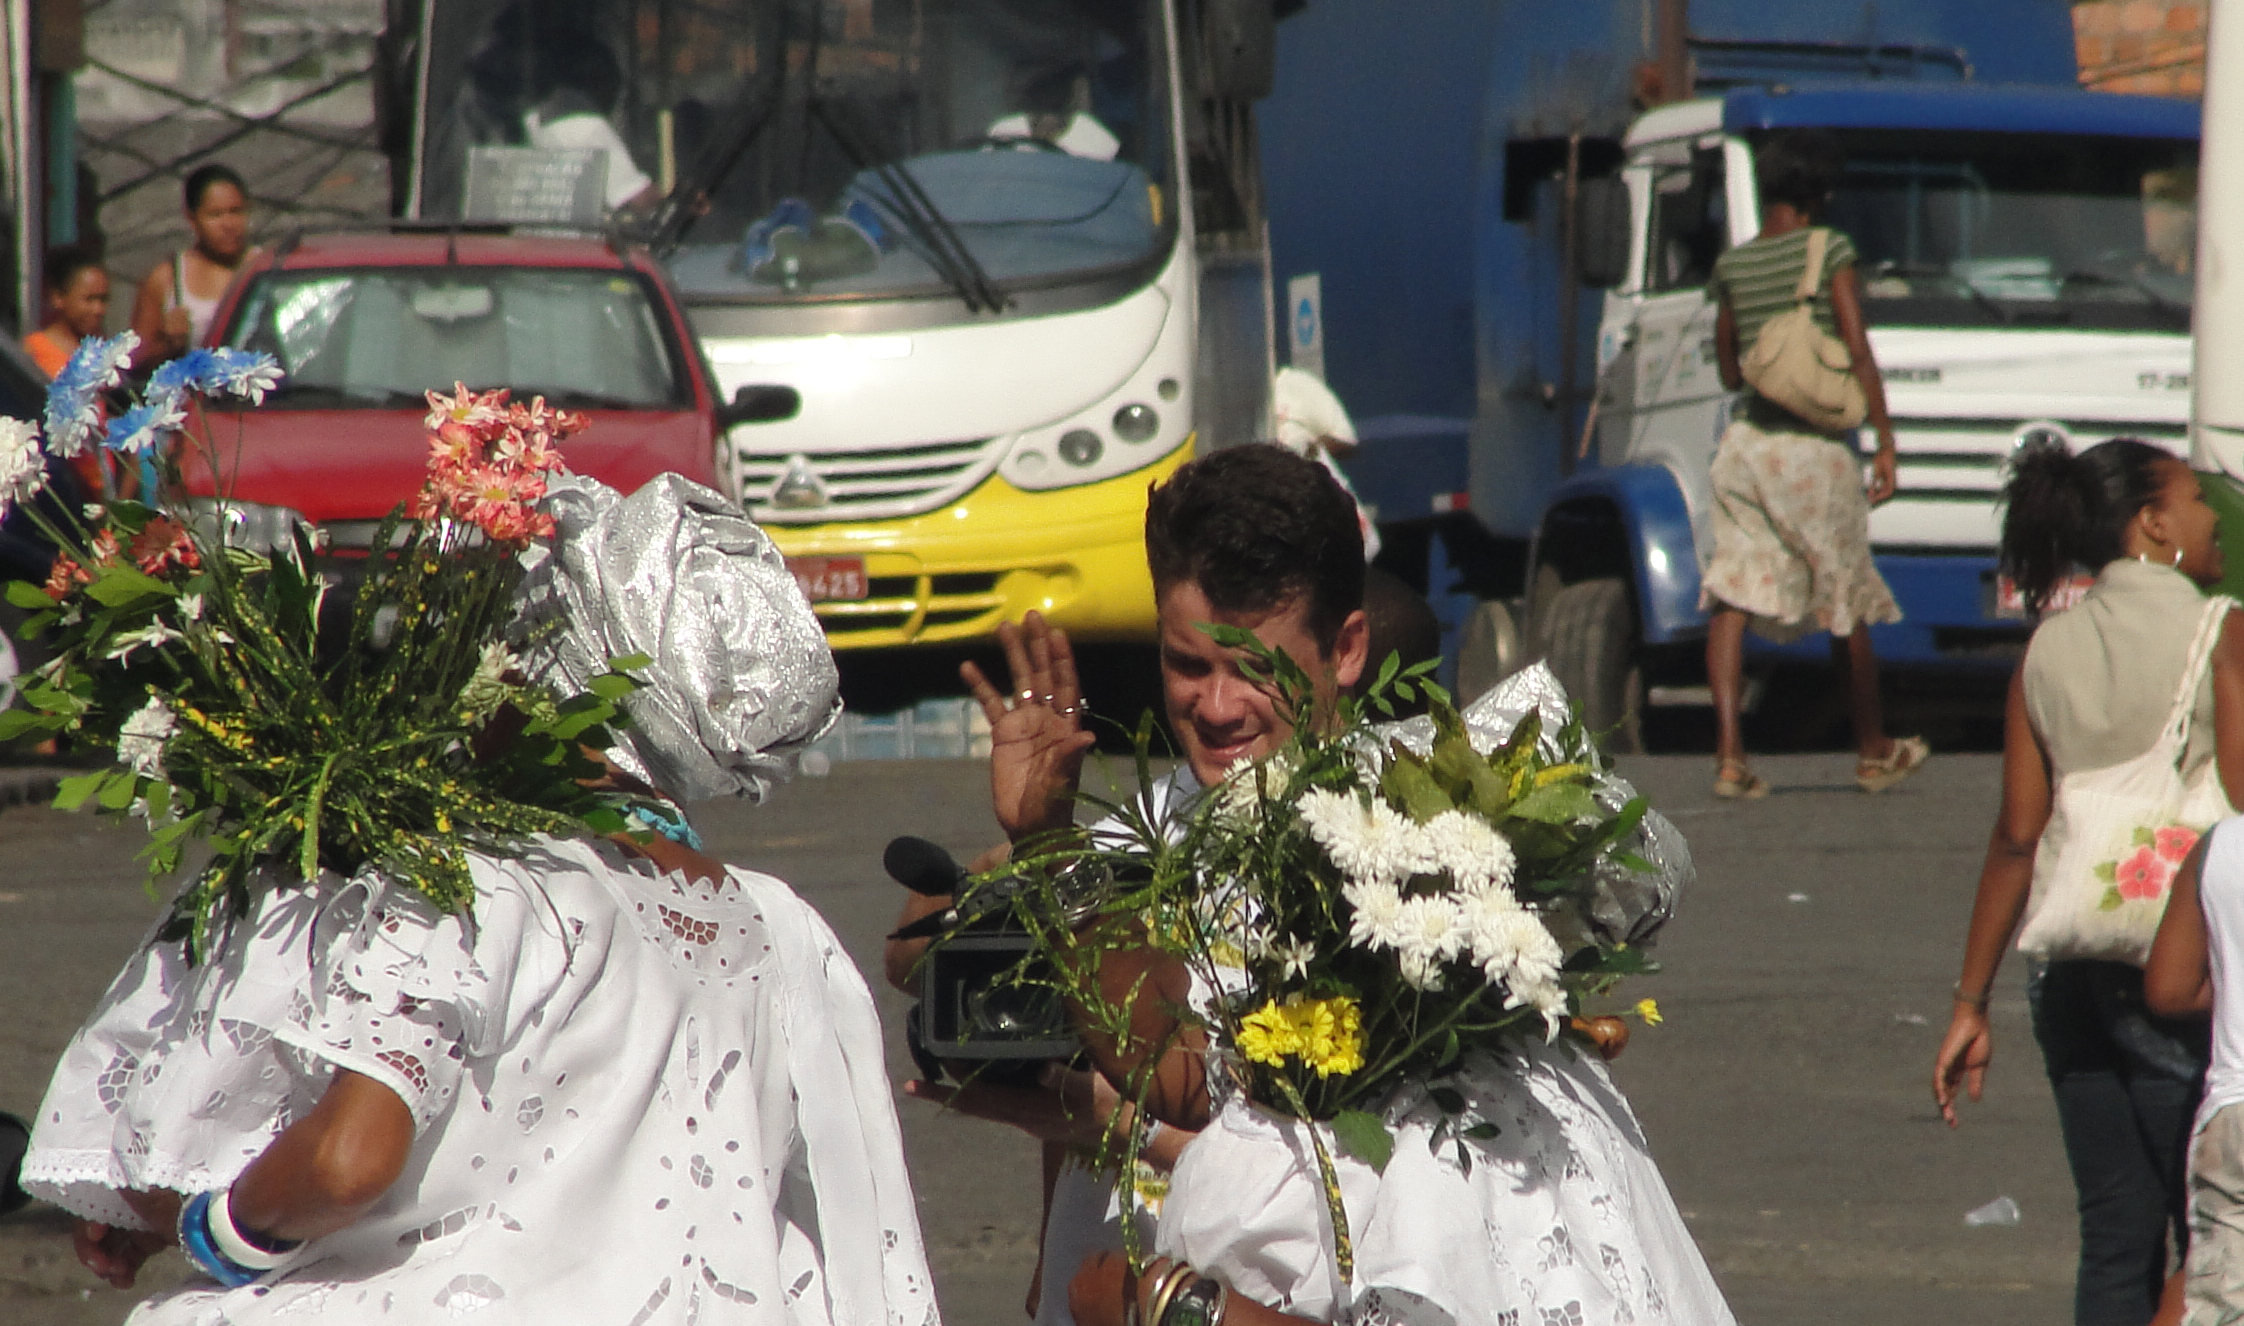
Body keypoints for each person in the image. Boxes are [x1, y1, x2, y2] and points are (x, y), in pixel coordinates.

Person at [20, 472, 940, 1325]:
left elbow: (348, 1163)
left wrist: (209, 1233)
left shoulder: (483, 883)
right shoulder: (783, 926)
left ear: (545, 687)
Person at [895, 446, 1720, 1325]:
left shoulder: (1422, 848)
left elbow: (1266, 1129)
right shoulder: (1149, 826)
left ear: (1348, 650)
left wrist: (1128, 1175)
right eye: (1186, 665)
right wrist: (1045, 843)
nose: (1217, 707)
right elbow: (924, 957)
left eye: (1255, 668)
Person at [1934, 437, 2244, 1326]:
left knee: (2114, 1236)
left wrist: (1969, 1004)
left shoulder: (2048, 648)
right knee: (2211, 1240)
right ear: (2152, 524)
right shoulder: (2220, 629)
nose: (2212, 514)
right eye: (2193, 499)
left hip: (2068, 975)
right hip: (2184, 980)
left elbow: (2016, 838)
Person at [1704, 128, 1925, 800]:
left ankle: (1731, 757)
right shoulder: (1831, 249)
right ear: (1818, 195)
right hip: (1814, 455)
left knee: (1732, 591)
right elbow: (1857, 346)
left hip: (1747, 448)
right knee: (1842, 590)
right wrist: (1885, 440)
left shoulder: (1734, 267)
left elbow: (1726, 365)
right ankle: (1873, 750)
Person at [130, 165, 252, 372]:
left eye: (235, 212)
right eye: (215, 215)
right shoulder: (167, 279)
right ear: (192, 218)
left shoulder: (266, 268)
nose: (228, 224)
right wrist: (166, 344)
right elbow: (134, 364)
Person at [24, 245, 110, 378]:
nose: (98, 309)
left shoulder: (105, 352)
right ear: (58, 297)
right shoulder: (33, 350)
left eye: (103, 299)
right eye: (89, 299)